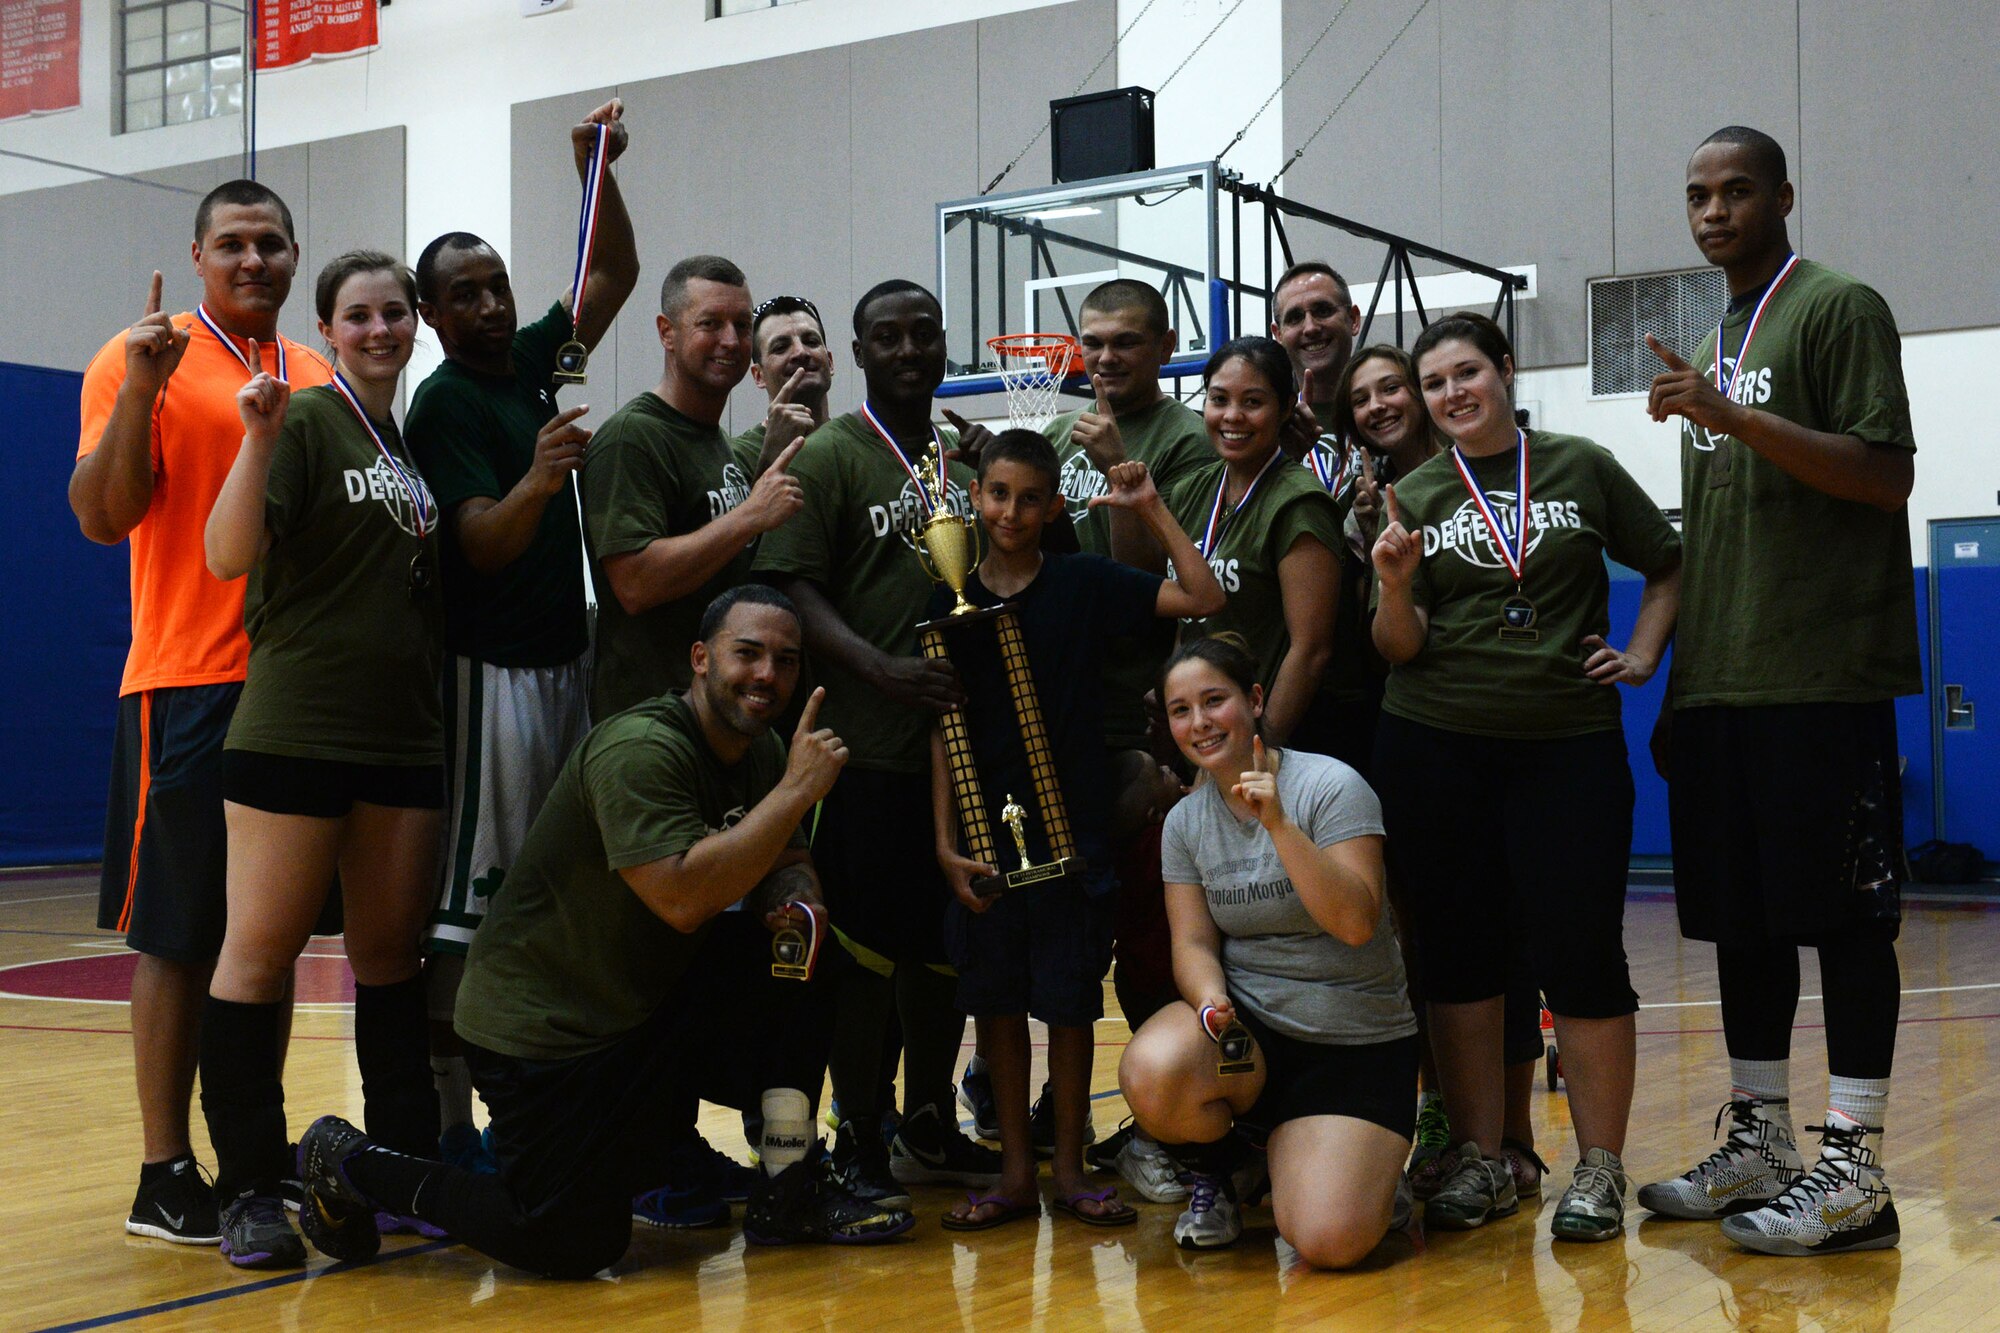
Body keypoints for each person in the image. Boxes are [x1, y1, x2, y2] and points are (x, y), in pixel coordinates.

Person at [291, 587, 913, 1276]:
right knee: (568, 1238)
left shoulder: (761, 751)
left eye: (786, 660)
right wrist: (797, 791)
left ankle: (787, 1187)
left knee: (805, 958)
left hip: (642, 1007)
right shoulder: (642, 749)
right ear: (701, 659)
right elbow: (679, 897)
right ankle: (351, 1160)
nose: (767, 673)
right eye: (749, 653)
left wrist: (796, 901)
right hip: (545, 1034)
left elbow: (788, 861)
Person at [1637, 126, 1917, 1258]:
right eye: (1697, 194)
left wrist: (1735, 416)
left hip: (1820, 673)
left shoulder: (1838, 307)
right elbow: (1711, 528)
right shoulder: (1713, 335)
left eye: (1735, 190)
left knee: (1843, 923)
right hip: (1723, 681)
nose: (1712, 210)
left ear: (1782, 196)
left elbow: (1884, 473)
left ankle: (1853, 1164)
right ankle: (1757, 1136)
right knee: (1742, 925)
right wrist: (1679, 673)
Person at [1370, 311, 1682, 1241]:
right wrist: (1390, 582)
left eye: (1467, 372)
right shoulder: (1417, 492)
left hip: (1567, 745)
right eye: (1434, 384)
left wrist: (1641, 656)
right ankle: (1479, 1156)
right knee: (1459, 955)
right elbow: (1398, 646)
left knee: (1580, 951)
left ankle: (1599, 1168)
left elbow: (1666, 565)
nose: (1452, 393)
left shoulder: (1580, 465)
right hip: (1435, 743)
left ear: (1504, 371)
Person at [71, 180, 332, 1247]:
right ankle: (160, 1168)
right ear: (197, 254)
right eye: (233, 244)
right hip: (185, 681)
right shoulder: (141, 355)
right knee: (178, 939)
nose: (254, 260)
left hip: (298, 694)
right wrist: (139, 392)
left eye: (271, 243)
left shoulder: (315, 374)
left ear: (292, 253)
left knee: (259, 943)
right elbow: (102, 516)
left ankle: (250, 1163)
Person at [197, 251, 445, 1268]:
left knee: (391, 966)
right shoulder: (300, 417)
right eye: (358, 315)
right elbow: (225, 553)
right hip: (295, 731)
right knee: (259, 958)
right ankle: (251, 1187)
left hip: (405, 739)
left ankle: (394, 1171)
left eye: (394, 312)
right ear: (328, 328)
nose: (379, 328)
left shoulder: (403, 441)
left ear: (413, 323)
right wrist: (255, 440)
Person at [406, 98, 638, 1174]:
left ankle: (542, 1112)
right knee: (473, 909)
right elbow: (481, 547)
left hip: (567, 666)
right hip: (488, 678)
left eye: (498, 284)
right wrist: (543, 478)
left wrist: (591, 173)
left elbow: (607, 278)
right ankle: (455, 1129)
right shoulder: (444, 404)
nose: (494, 304)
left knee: (555, 895)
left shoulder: (535, 361)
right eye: (468, 294)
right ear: (430, 313)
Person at [929, 430, 1223, 1231]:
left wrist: (1151, 507)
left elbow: (1203, 598)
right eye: (996, 494)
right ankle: (1015, 1171)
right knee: (995, 1002)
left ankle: (1068, 1166)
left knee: (1067, 1005)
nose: (1011, 511)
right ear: (975, 498)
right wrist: (943, 840)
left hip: (1075, 828)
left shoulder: (1085, 581)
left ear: (1056, 504)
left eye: (1030, 497)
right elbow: (941, 725)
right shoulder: (946, 593)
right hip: (984, 838)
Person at [751, 278, 1002, 1209]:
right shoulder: (830, 457)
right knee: (858, 957)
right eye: (885, 337)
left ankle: (929, 1118)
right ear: (858, 354)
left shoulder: (963, 460)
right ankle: (858, 1131)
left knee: (945, 947)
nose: (906, 350)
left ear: (944, 346)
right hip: (862, 748)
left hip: (961, 753)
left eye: (922, 334)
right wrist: (882, 670)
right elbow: (794, 592)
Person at [1327, 347, 1551, 1207]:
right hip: (1410, 728)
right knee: (1430, 936)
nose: (1382, 404)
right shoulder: (1367, 502)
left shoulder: (1516, 475)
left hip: (1512, 730)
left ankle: (1516, 1138)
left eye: (1394, 386)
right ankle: (1453, 1128)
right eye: (1366, 398)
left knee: (1509, 932)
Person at [1118, 635, 1417, 1263]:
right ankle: (1227, 1167)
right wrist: (1209, 1002)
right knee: (1153, 1066)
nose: (1199, 723)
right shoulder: (1185, 821)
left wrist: (1279, 824)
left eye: (1214, 701)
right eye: (1180, 710)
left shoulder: (1332, 787)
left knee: (1329, 1242)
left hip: (1352, 1040)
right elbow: (1193, 942)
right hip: (1252, 1040)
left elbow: (1357, 922)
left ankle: (1361, 1172)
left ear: (1254, 700)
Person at [583, 255, 803, 720]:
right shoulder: (632, 437)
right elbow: (635, 584)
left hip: (717, 720)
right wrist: (749, 515)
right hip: (649, 722)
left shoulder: (719, 444)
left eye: (742, 326)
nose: (730, 340)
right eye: (711, 323)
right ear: (667, 331)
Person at [1154, 337, 1343, 745]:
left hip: (1266, 736)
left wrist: (1260, 747)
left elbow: (1311, 651)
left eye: (1253, 402)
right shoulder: (1191, 490)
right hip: (1203, 729)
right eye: (1219, 400)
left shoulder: (1299, 503)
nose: (1232, 416)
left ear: (1287, 407)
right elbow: (1188, 618)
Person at [736, 294, 835, 480]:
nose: (801, 352)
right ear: (759, 375)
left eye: (811, 342)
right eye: (781, 347)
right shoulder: (738, 457)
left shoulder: (855, 444)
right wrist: (771, 455)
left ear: (830, 362)